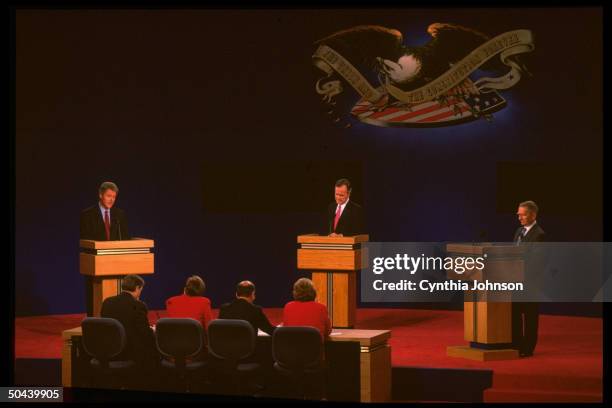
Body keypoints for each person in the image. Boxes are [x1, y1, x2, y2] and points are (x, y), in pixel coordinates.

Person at [100, 274, 159, 370]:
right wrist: (152, 330)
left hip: (108, 351)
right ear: (137, 288)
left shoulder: (107, 302)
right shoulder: (138, 305)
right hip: (129, 353)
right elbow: (144, 332)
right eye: (141, 290)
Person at [512, 200, 546, 357]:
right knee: (516, 314)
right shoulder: (519, 231)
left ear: (533, 214)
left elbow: (537, 263)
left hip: (530, 284)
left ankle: (528, 348)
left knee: (530, 317)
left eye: (523, 214)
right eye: (518, 214)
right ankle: (517, 345)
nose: (519, 217)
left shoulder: (539, 235)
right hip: (515, 282)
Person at [165, 275, 213, 359]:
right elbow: (209, 328)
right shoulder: (205, 302)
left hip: (173, 351)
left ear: (185, 288)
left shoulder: (171, 301)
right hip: (196, 351)